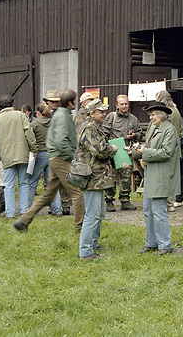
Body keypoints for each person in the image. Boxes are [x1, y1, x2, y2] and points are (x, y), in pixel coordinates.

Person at [13, 90, 86, 232]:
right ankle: (81, 229)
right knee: (78, 194)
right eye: (75, 100)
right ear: (70, 102)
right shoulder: (63, 116)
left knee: (48, 195)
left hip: (55, 158)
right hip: (60, 159)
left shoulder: (59, 114)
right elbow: (60, 141)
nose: (76, 103)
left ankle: (23, 220)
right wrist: (71, 155)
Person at [130, 101, 180, 255]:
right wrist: (136, 151)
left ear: (161, 115)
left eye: (152, 114)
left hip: (162, 175)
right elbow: (151, 149)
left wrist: (144, 152)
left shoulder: (169, 130)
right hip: (152, 174)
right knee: (148, 210)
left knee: (158, 211)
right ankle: (151, 243)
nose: (150, 117)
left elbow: (166, 152)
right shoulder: (154, 129)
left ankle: (164, 245)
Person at [78, 99, 118, 260]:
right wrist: (113, 148)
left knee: (99, 213)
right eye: (100, 112)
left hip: (98, 178)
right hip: (93, 178)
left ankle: (93, 243)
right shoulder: (90, 129)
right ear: (91, 113)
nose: (104, 114)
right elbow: (99, 150)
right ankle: (86, 251)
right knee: (92, 215)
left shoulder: (94, 127)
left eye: (104, 111)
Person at [0, 94, 38, 218]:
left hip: (6, 154)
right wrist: (34, 149)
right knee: (24, 183)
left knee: (9, 185)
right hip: (22, 152)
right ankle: (24, 210)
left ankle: (10, 212)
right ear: (12, 104)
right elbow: (29, 133)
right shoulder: (21, 115)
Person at [102, 95, 141, 212]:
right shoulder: (111, 117)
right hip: (114, 151)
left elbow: (140, 133)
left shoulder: (133, 119)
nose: (124, 106)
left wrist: (135, 135)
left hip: (127, 150)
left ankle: (125, 200)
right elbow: (104, 133)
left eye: (126, 104)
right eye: (122, 104)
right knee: (111, 177)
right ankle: (109, 201)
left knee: (126, 177)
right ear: (117, 105)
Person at [42, 90, 74, 215]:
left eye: (56, 101)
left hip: (61, 151)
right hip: (51, 151)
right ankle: (54, 206)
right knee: (50, 183)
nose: (54, 104)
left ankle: (65, 206)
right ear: (47, 102)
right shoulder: (46, 113)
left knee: (65, 182)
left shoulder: (62, 113)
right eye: (52, 101)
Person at [27, 103, 62, 216]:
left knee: (32, 183)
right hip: (52, 154)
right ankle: (57, 210)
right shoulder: (53, 123)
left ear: (38, 113)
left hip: (39, 154)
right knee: (52, 184)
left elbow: (30, 138)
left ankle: (28, 209)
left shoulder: (34, 124)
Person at [155, 90, 183, 210]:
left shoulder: (167, 113)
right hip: (176, 147)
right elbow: (181, 131)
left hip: (168, 147)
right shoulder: (176, 110)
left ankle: (169, 203)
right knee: (173, 175)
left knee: (166, 176)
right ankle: (172, 202)